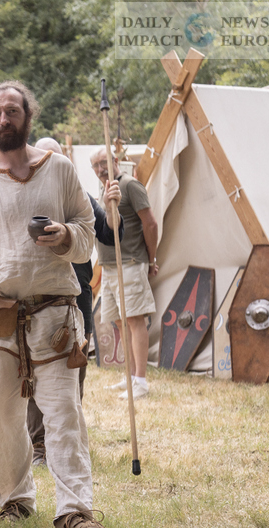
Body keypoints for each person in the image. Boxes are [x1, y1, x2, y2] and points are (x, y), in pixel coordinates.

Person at [0, 80, 106, 528]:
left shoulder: (60, 170)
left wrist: (67, 236)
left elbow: (88, 233)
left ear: (27, 115)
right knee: (6, 418)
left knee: (63, 413)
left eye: (11, 111)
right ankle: (15, 501)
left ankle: (75, 511)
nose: (3, 119)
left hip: (55, 314)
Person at [27, 138, 122, 467]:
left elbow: (109, 236)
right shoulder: (27, 193)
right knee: (33, 372)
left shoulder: (79, 195)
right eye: (44, 156)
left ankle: (66, 439)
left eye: (56, 156)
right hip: (36, 298)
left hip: (76, 297)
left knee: (74, 366)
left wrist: (111, 207)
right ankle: (38, 445)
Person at [90, 148, 158, 400]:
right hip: (109, 267)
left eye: (103, 163)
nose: (100, 169)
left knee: (134, 320)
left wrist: (151, 259)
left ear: (115, 161)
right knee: (119, 322)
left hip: (129, 262)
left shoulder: (130, 185)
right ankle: (130, 377)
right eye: (95, 166)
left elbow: (150, 223)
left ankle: (141, 380)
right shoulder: (104, 192)